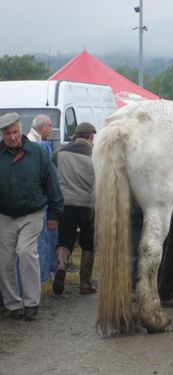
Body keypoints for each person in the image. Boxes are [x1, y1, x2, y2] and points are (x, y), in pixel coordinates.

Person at [0, 112, 63, 320]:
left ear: (21, 130)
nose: (12, 137)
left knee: (26, 252)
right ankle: (13, 305)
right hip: (5, 215)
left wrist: (54, 213)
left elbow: (51, 183)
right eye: (8, 133)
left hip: (32, 213)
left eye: (15, 132)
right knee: (5, 259)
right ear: (2, 135)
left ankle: (31, 302)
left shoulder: (36, 152)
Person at [52, 122, 97, 295]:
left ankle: (62, 265)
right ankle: (85, 284)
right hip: (88, 205)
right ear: (90, 136)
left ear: (76, 135)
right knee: (88, 244)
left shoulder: (60, 153)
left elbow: (54, 164)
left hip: (66, 203)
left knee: (64, 240)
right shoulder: (94, 155)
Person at [27, 114, 57, 283]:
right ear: (42, 127)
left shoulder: (34, 141)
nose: (51, 129)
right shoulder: (39, 145)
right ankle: (42, 274)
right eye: (50, 125)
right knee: (41, 240)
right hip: (39, 199)